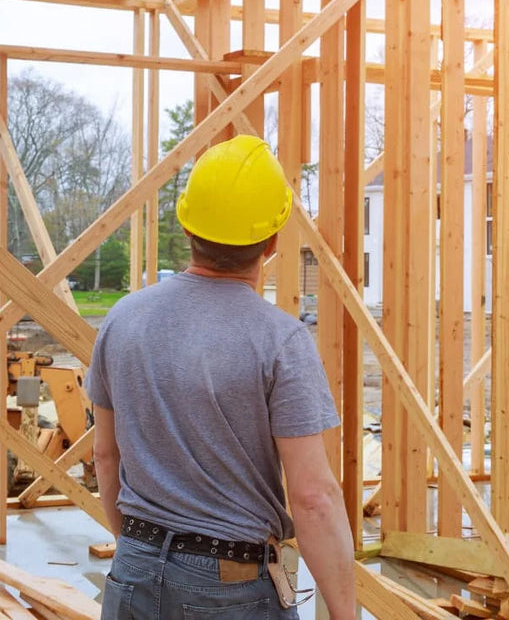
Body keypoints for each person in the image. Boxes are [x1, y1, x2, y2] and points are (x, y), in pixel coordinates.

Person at [86, 134, 356, 619]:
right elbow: (314, 497)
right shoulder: (280, 340)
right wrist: (344, 613)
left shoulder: (123, 319)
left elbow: (106, 456)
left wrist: (137, 551)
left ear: (187, 226)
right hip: (231, 588)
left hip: (133, 569)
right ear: (271, 241)